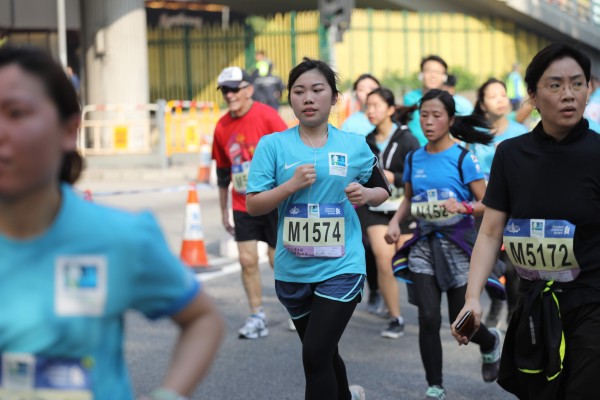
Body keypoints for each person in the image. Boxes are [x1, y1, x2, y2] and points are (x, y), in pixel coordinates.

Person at [0, 45, 224, 400]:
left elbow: (203, 320)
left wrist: (169, 395)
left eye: (16, 113)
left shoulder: (120, 237)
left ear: (69, 130)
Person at [451, 43, 600, 399]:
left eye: (577, 84)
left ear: (589, 89)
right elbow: (490, 233)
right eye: (555, 85)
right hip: (534, 302)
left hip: (593, 303)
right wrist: (472, 298)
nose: (568, 94)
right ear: (532, 95)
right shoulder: (511, 154)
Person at [246, 57, 390, 400]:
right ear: (290, 98)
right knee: (323, 353)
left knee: (314, 355)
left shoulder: (354, 145)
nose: (308, 98)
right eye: (299, 91)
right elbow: (254, 204)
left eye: (317, 90)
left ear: (334, 98)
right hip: (293, 269)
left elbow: (383, 189)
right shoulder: (272, 145)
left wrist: (367, 194)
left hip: (342, 265)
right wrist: (289, 186)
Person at [385, 89, 502, 400]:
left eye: (436, 116)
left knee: (460, 321)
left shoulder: (463, 158)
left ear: (450, 120)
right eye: (424, 115)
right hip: (423, 243)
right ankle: (435, 385)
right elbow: (409, 199)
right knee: (427, 317)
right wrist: (395, 222)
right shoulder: (414, 157)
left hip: (458, 243)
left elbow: (488, 203)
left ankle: (490, 342)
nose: (428, 121)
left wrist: (463, 207)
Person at [211, 66, 288, 338]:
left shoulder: (268, 116)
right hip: (242, 202)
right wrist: (223, 210)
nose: (229, 95)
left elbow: (289, 152)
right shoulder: (222, 126)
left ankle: (296, 308)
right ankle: (257, 316)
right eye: (225, 90)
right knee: (246, 259)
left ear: (248, 90)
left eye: (234, 89)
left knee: (277, 259)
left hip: (272, 199)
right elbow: (223, 171)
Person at [357, 87, 420, 338]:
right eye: (368, 106)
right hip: (375, 209)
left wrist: (395, 177)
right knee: (383, 261)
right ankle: (395, 317)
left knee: (409, 262)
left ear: (391, 109)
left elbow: (418, 174)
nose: (371, 111)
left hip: (404, 209)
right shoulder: (366, 141)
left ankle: (427, 308)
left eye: (376, 105)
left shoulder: (407, 139)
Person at [469, 78, 528, 329]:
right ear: (482, 104)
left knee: (514, 267)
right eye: (493, 96)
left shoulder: (521, 131)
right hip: (486, 206)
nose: (500, 100)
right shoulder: (474, 136)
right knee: (488, 263)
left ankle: (513, 314)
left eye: (503, 95)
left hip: (516, 207)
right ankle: (496, 299)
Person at [340, 73, 385, 316]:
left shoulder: (390, 121)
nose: (366, 91)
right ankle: (374, 289)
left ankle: (389, 294)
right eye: (361, 88)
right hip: (359, 193)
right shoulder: (351, 124)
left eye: (371, 87)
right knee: (368, 244)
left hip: (389, 192)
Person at [404, 55, 474, 145]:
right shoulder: (409, 99)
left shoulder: (456, 103)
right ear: (421, 75)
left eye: (437, 72)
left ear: (445, 77)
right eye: (428, 71)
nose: (433, 76)